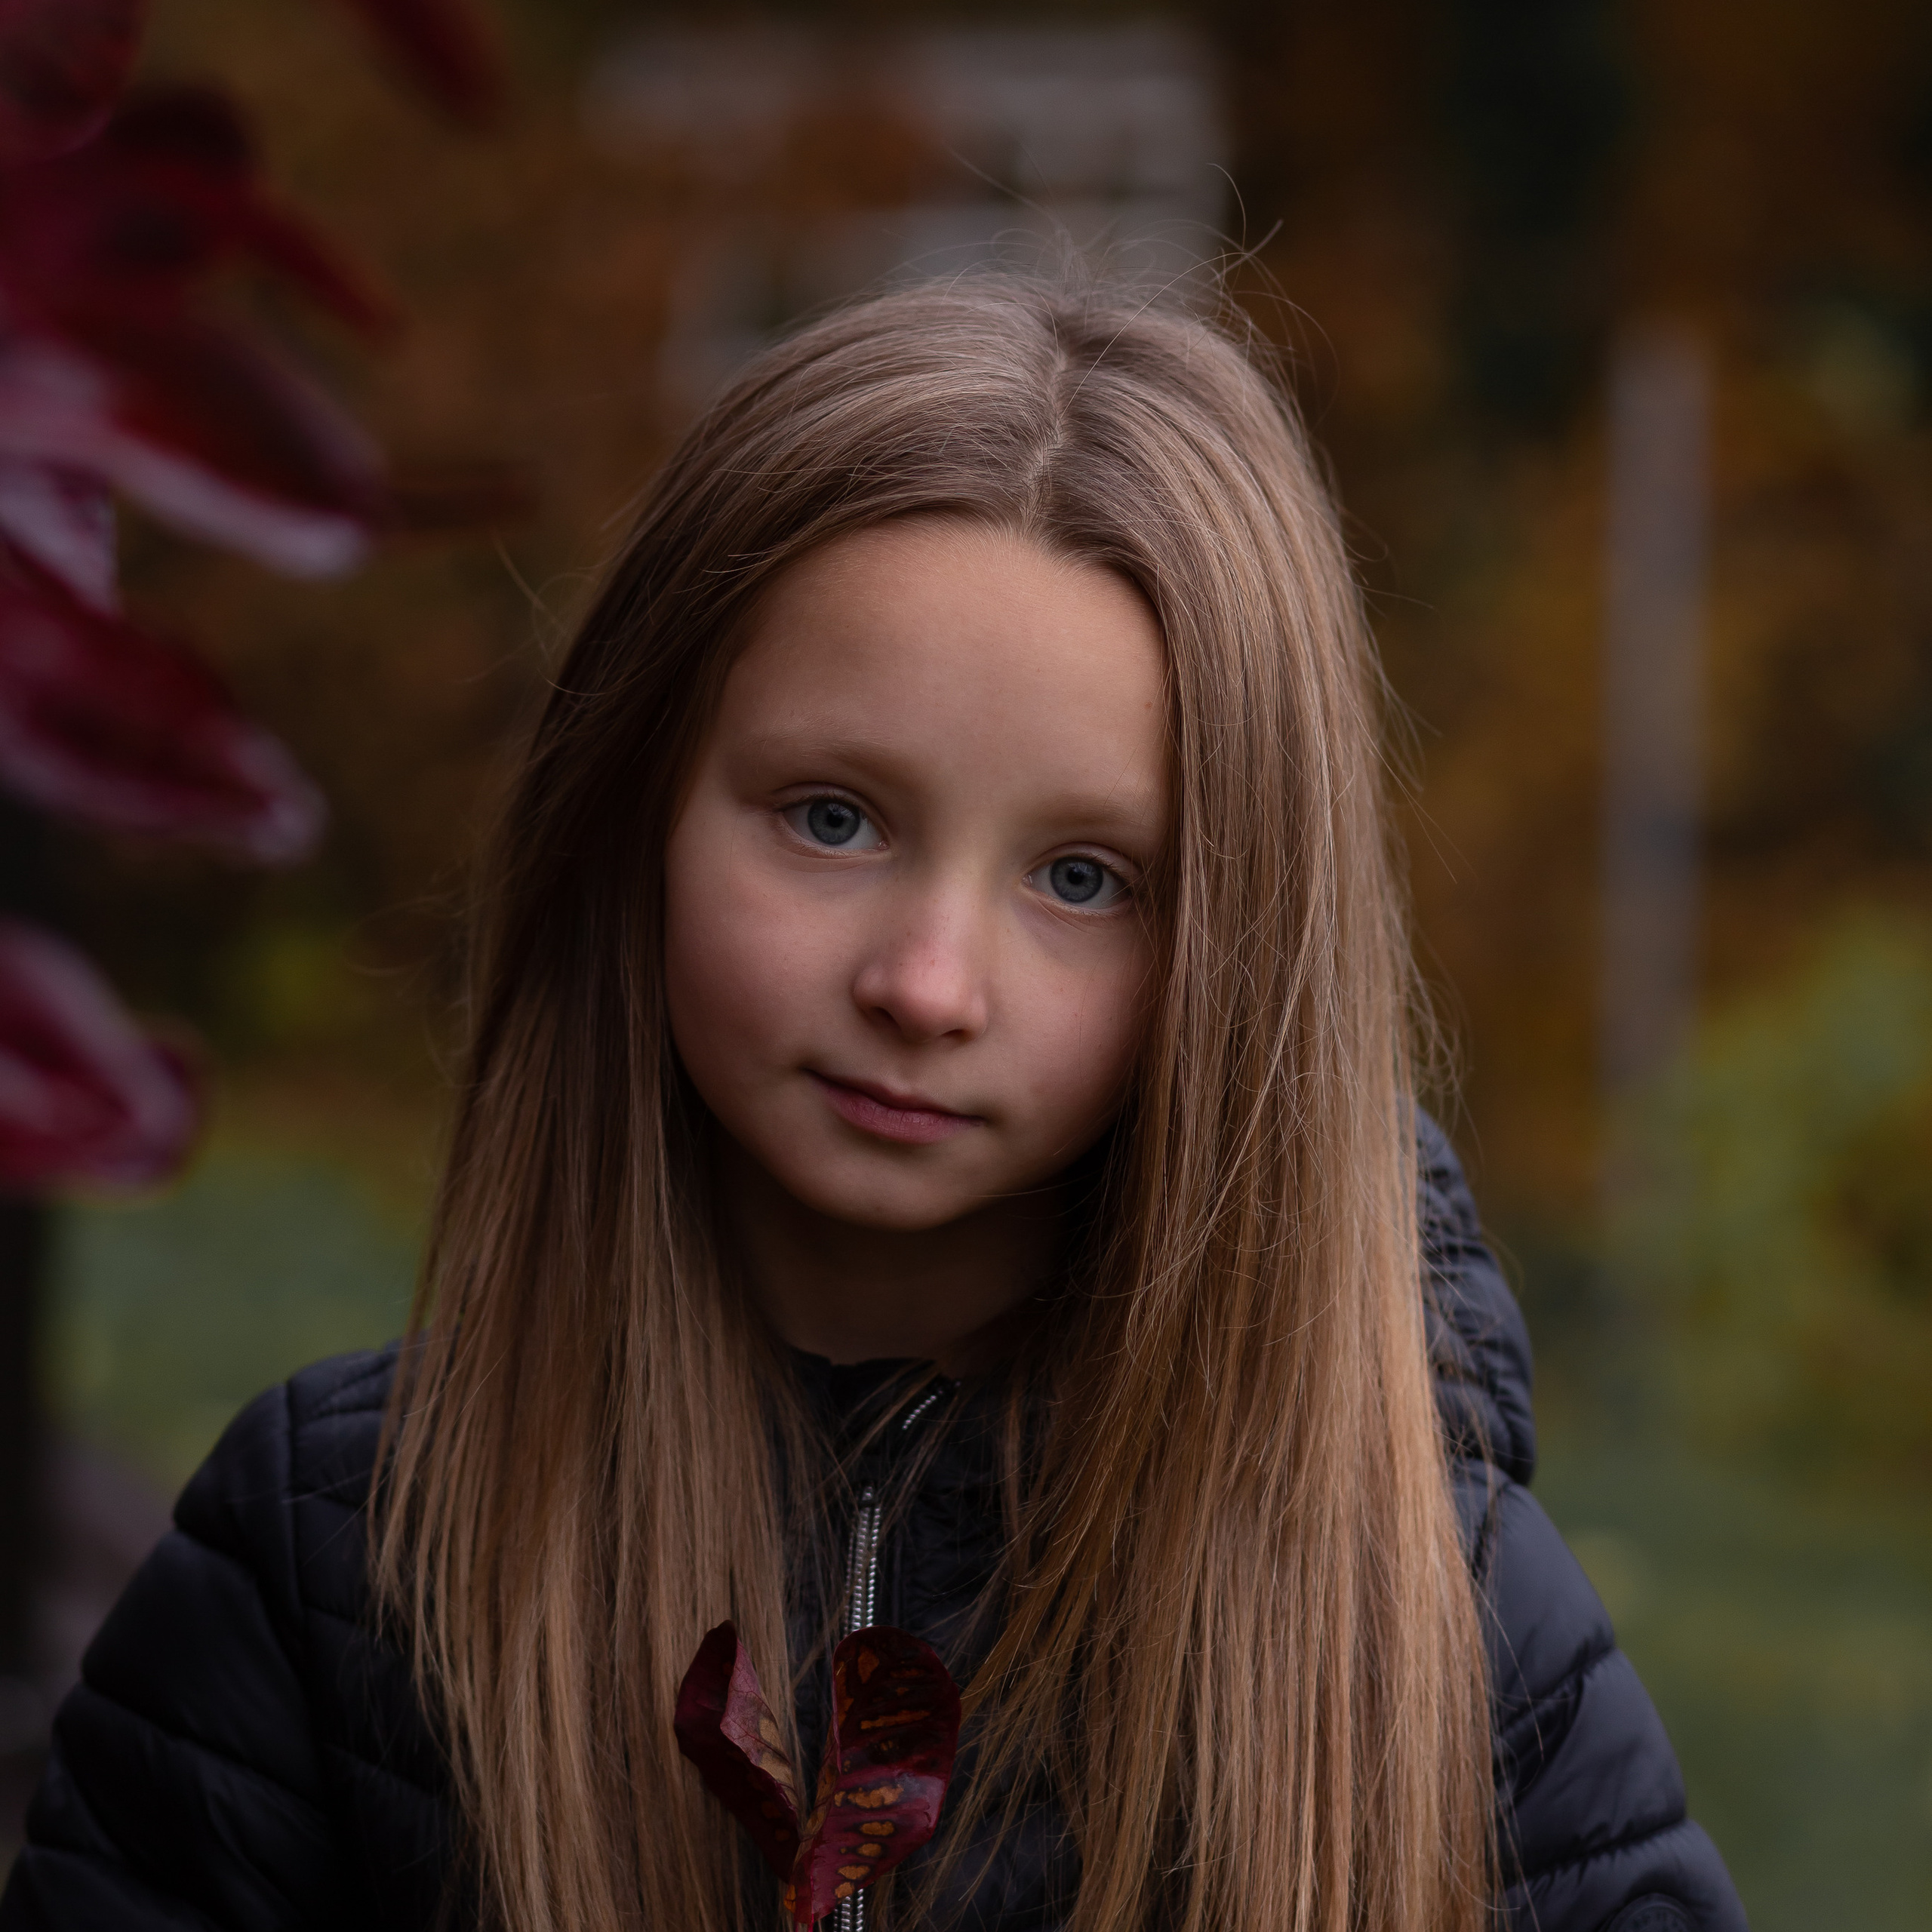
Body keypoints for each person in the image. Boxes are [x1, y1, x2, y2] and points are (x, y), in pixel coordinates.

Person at [0, 278, 1747, 1932]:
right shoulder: (332, 1560)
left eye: (1082, 874)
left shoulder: (1441, 1634)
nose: (925, 980)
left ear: (1237, 950)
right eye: (831, 817)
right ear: (632, 811)